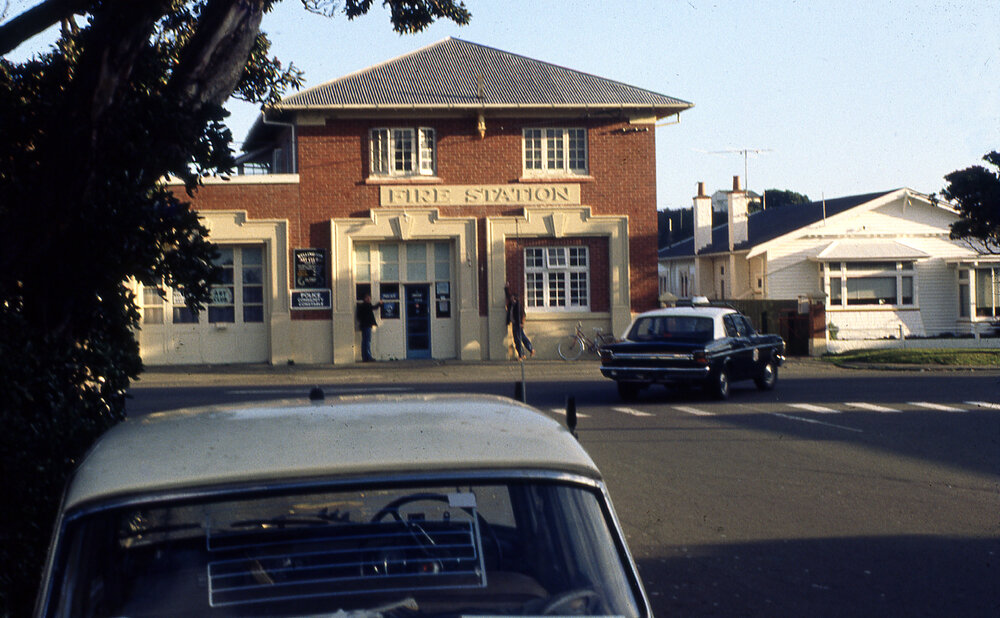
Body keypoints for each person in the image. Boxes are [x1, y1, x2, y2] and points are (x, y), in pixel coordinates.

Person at [505, 286, 534, 360]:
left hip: (518, 324)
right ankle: (523, 354)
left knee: (520, 338)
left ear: (515, 299)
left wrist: (522, 322)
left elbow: (523, 314)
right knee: (517, 339)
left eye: (513, 298)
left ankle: (528, 351)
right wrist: (507, 288)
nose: (511, 299)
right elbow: (508, 296)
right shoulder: (511, 305)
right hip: (514, 324)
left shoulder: (518, 305)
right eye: (511, 298)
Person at [356, 294, 382, 362]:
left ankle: (365, 357)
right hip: (367, 325)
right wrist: (379, 303)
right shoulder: (366, 305)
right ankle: (368, 357)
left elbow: (358, 316)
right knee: (367, 341)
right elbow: (374, 307)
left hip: (364, 325)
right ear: (365, 299)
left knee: (364, 341)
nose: (369, 299)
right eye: (368, 298)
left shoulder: (361, 306)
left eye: (369, 298)